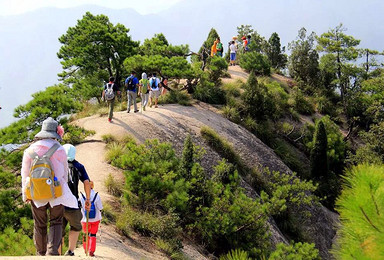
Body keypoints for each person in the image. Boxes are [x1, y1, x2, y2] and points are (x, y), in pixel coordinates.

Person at [21, 117, 78, 256]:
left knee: (39, 223)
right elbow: (64, 174)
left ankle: (41, 253)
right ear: (55, 133)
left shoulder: (29, 150)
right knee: (56, 221)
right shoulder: (59, 149)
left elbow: (25, 175)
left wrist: (25, 195)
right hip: (56, 193)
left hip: (36, 192)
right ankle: (52, 253)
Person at [60, 144, 91, 256]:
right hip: (73, 204)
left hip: (58, 204)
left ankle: (57, 253)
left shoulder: (58, 164)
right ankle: (70, 251)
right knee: (76, 226)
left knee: (58, 229)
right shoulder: (79, 166)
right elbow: (87, 182)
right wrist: (88, 199)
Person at [80, 181, 103, 257]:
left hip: (84, 219)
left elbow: (79, 206)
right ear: (93, 186)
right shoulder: (96, 195)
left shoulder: (81, 195)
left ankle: (85, 249)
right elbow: (100, 207)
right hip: (95, 219)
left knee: (85, 234)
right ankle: (91, 251)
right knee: (93, 234)